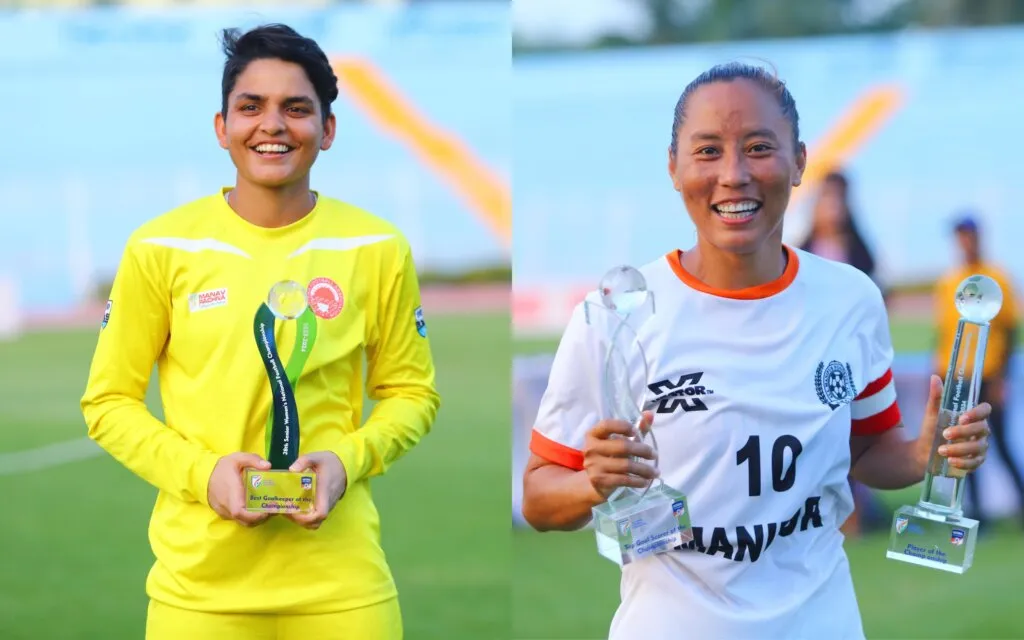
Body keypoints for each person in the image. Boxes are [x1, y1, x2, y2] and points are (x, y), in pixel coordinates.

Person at [521, 62, 993, 639]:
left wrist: (925, 453)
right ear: (673, 167)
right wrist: (593, 483)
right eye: (708, 151)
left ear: (799, 162)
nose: (734, 174)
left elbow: (867, 450)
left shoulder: (849, 299)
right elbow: (541, 497)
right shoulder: (616, 314)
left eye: (759, 147)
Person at [80, 24, 439, 640]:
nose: (272, 125)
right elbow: (108, 402)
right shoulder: (161, 247)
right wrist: (204, 474)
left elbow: (413, 394)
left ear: (327, 130)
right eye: (251, 107)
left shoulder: (376, 247)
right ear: (222, 127)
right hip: (198, 593)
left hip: (342, 588)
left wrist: (343, 462)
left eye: (296, 109)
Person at [799, 169, 886, 537]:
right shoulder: (802, 250)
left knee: (854, 435)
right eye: (826, 198)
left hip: (850, 357)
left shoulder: (860, 251)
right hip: (812, 356)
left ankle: (856, 513)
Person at [934, 214, 1023, 528]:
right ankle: (977, 514)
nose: (966, 243)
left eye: (969, 236)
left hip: (988, 374)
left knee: (999, 442)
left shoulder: (996, 276)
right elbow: (945, 333)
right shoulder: (950, 280)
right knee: (964, 449)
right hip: (959, 376)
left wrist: (1002, 378)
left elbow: (1010, 329)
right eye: (960, 237)